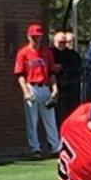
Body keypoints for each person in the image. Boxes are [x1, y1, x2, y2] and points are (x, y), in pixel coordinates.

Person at [14, 23, 59, 158]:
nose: (36, 39)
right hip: (31, 87)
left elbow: (51, 72)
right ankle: (35, 148)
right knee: (32, 121)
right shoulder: (23, 53)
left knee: (50, 119)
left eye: (38, 36)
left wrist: (55, 89)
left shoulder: (47, 52)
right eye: (33, 36)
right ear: (28, 37)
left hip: (44, 87)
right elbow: (20, 75)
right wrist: (25, 91)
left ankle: (55, 147)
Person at [52, 30, 82, 114]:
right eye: (60, 42)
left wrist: (63, 67)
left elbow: (77, 67)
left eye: (64, 42)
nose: (62, 45)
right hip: (56, 86)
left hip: (70, 87)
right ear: (54, 42)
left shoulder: (72, 54)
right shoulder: (50, 53)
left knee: (70, 111)